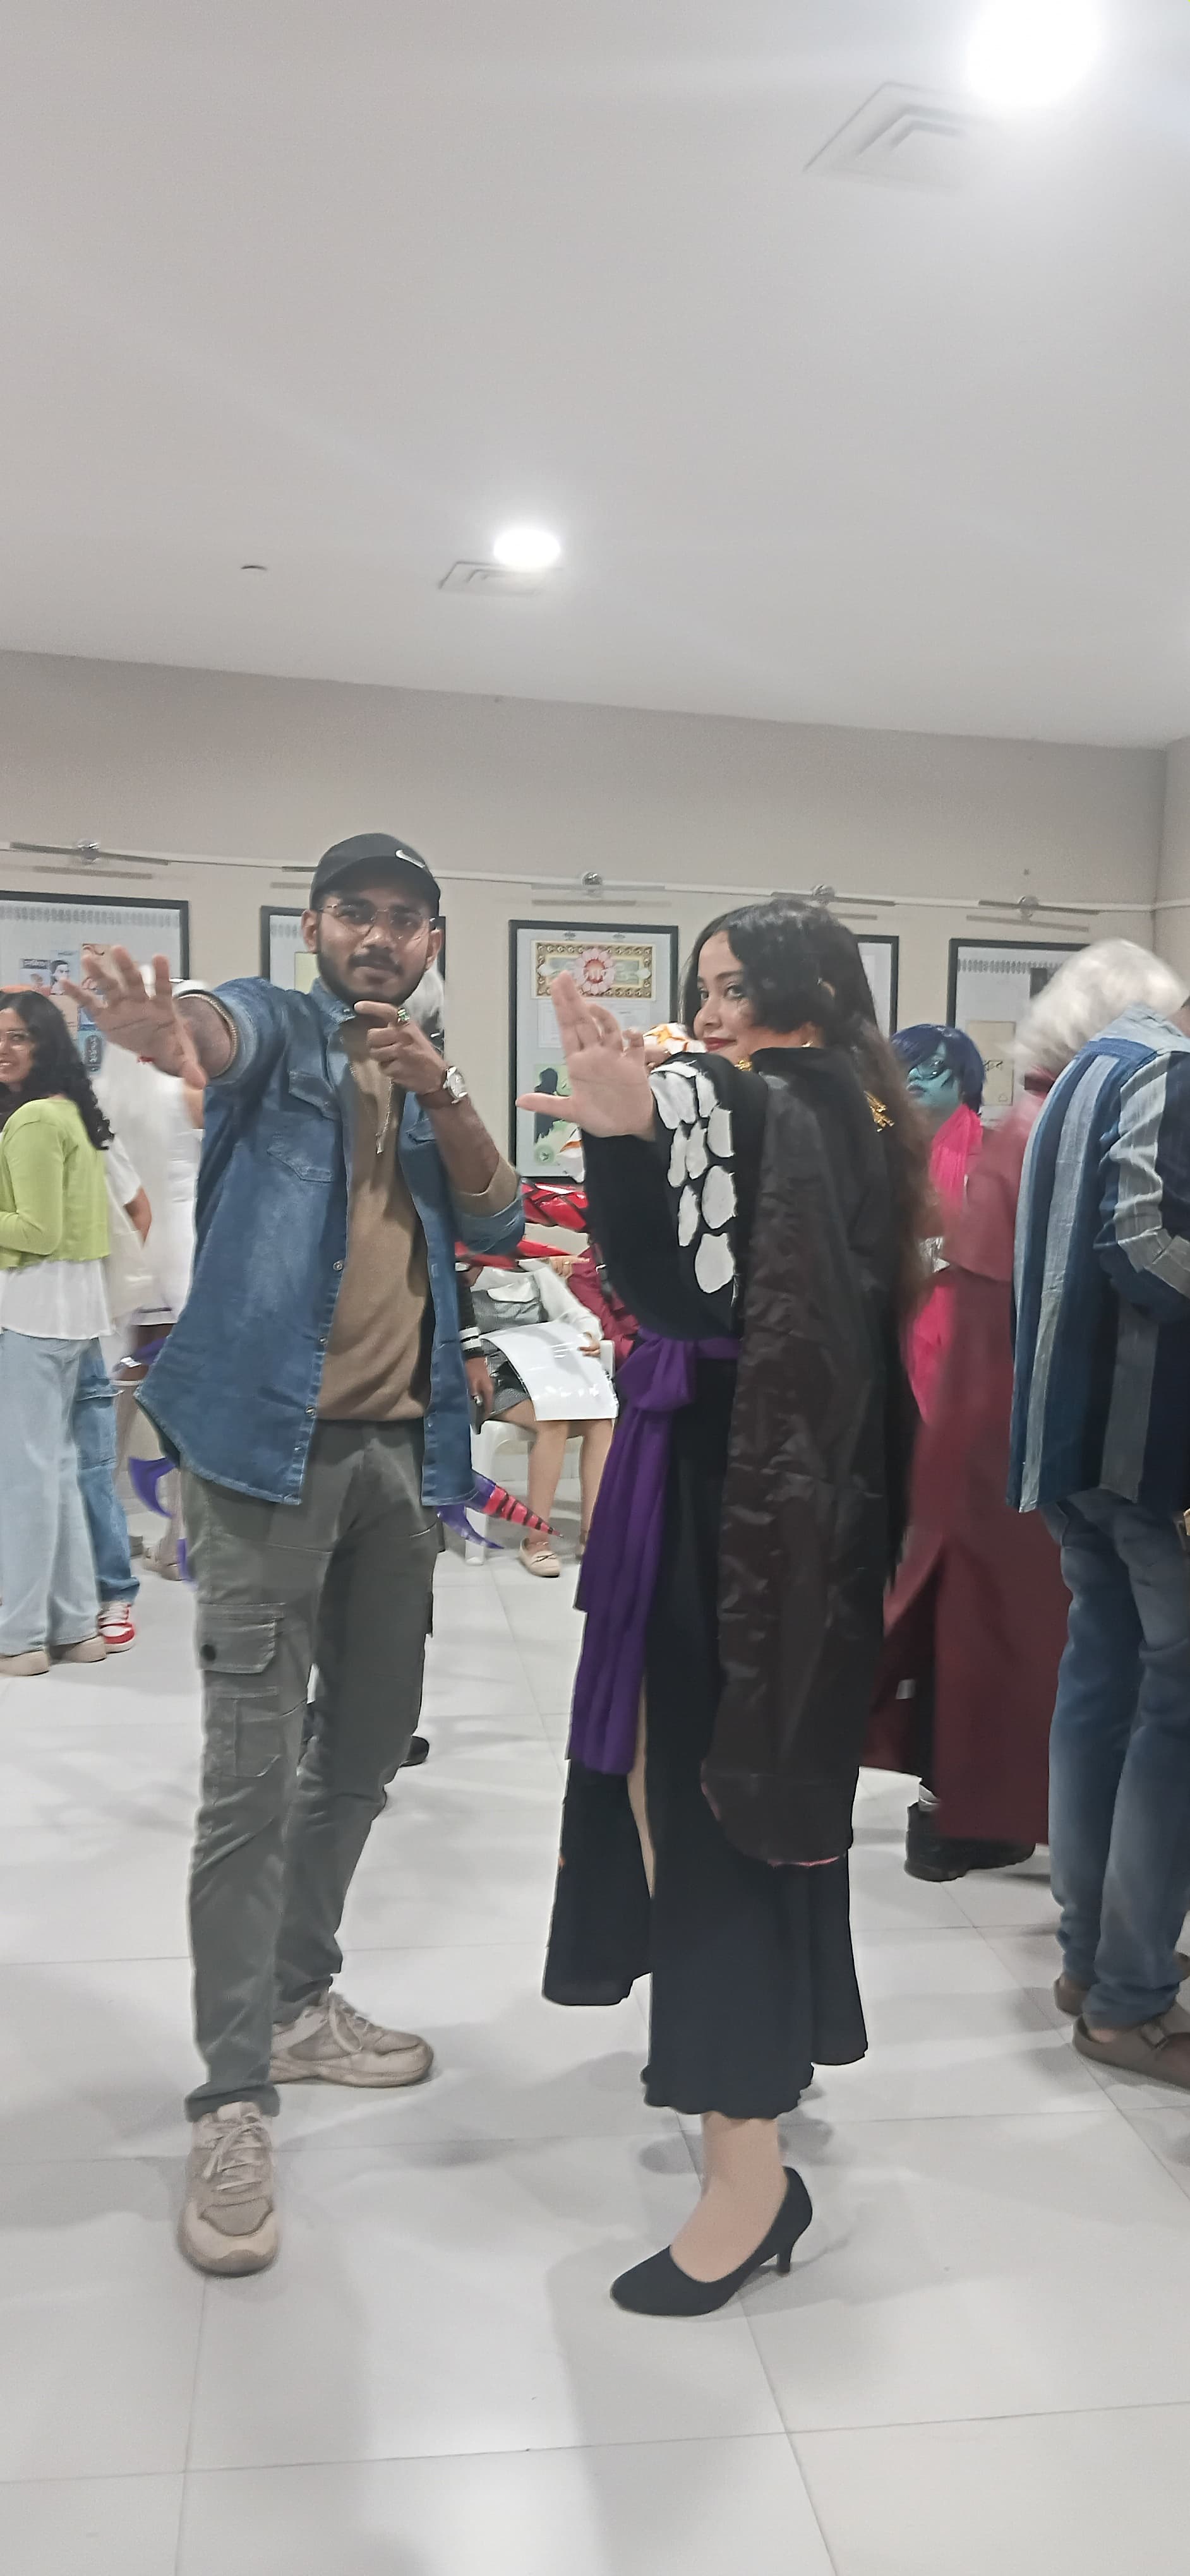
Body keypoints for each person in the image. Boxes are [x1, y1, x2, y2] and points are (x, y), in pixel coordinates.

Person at [65, 830, 522, 2275]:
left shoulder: (427, 1066)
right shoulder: (277, 1025)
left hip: (401, 1458)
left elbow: (500, 1210)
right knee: (250, 1780)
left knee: (367, 1749)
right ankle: (230, 2096)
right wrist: (167, 1034)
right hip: (266, 1456)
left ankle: (295, 1997)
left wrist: (442, 1086)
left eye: (405, 918)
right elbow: (214, 1030)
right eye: (354, 913)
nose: (379, 936)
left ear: (433, 936)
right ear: (316, 925)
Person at [528, 903, 927, 2315]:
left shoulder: (754, 1100)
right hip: (786, 1504)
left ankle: (747, 2177)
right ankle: (769, 2067)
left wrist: (626, 1130)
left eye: (736, 986)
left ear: (803, 993)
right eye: (703, 987)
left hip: (732, 1507)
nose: (710, 1013)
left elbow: (672, 1292)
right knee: (735, 1792)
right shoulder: (861, 1110)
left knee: (705, 1809)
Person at [870, 943, 1187, 1883]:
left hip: (990, 1410)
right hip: (1040, 1414)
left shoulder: (1026, 1119)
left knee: (998, 1638)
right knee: (1034, 1646)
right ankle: (1011, 1832)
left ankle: (978, 1822)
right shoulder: (1074, 1120)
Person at [1011, 965, 1190, 2087]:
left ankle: (1091, 1963)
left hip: (1071, 1440)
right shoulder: (1168, 1074)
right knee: (1172, 1714)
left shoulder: (1087, 1066)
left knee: (1099, 1689)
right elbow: (1137, 1243)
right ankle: (1128, 2000)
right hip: (1148, 1450)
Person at [0, 991, 112, 1676]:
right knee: (59, 1470)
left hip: (31, 1312)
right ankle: (76, 1628)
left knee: (26, 1478)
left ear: (46, 1044)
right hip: (72, 1313)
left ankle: (18, 1637)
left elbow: (36, 1231)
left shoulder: (34, 1119)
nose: (3, 1049)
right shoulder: (70, 1111)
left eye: (18, 1037)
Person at [461, 1255, 616, 1573]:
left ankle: (592, 1533)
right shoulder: (462, 1274)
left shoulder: (535, 1272)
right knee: (552, 1421)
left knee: (601, 1418)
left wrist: (589, 1335)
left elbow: (576, 1314)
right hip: (492, 1379)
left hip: (544, 1376)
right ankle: (537, 1541)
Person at [891, 1023, 985, 1419]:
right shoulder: (883, 1150)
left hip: (971, 1323)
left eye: (930, 1068)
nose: (914, 1076)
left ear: (965, 1083)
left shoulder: (995, 1155)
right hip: (893, 1313)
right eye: (904, 1066)